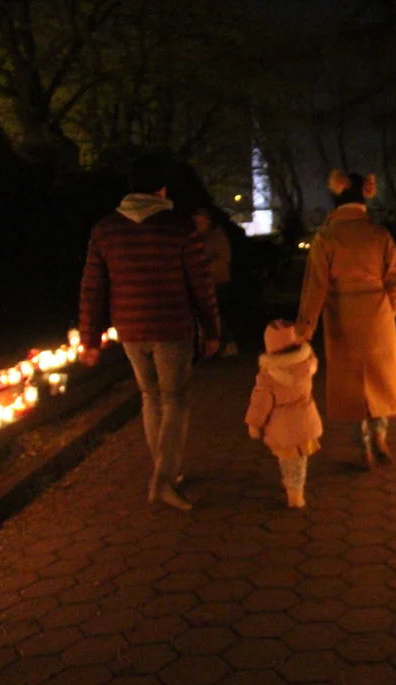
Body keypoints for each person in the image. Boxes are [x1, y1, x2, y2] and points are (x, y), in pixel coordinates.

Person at [79, 154, 220, 511]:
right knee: (174, 399)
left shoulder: (105, 229)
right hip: (172, 325)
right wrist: (213, 328)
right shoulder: (179, 226)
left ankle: (165, 473)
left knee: (149, 396)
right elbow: (201, 283)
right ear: (161, 189)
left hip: (129, 327)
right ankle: (163, 478)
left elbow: (92, 287)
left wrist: (89, 338)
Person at [296, 170, 396, 470]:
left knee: (351, 382)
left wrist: (305, 327)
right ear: (364, 198)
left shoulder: (326, 237)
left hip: (342, 313)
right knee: (379, 376)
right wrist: (389, 309)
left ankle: (363, 446)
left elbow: (315, 286)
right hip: (377, 314)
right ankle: (381, 435)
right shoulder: (379, 234)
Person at [244, 320, 323, 508]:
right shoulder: (306, 363)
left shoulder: (268, 375)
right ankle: (294, 488)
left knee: (289, 463)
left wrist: (254, 425)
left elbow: (260, 403)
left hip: (282, 428)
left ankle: (294, 497)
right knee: (299, 462)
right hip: (305, 420)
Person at [193, 208, 238, 357]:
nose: (198, 225)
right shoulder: (198, 238)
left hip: (218, 280)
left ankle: (228, 343)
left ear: (208, 222)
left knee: (219, 314)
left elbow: (223, 258)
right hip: (205, 282)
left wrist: (204, 268)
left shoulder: (217, 237)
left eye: (200, 221)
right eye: (196, 222)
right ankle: (214, 346)